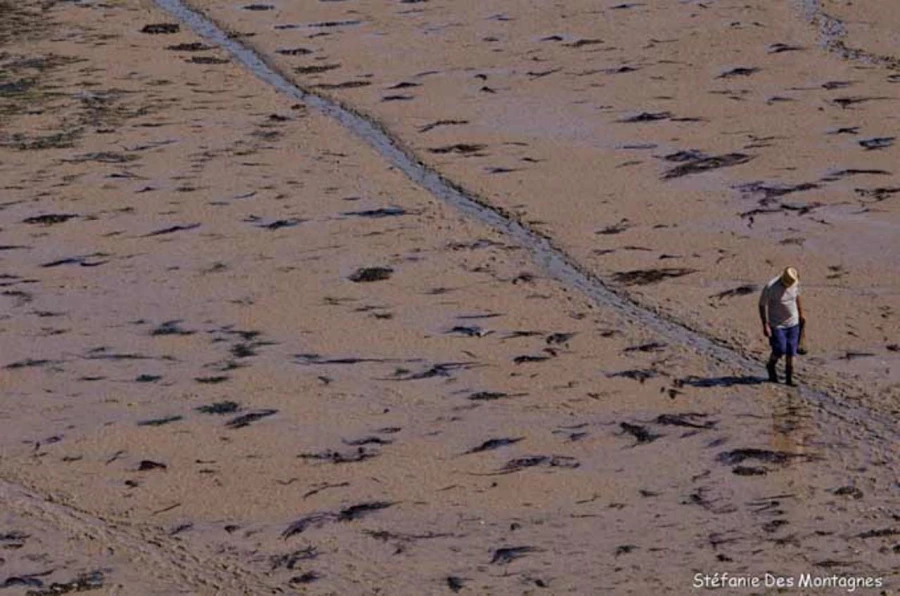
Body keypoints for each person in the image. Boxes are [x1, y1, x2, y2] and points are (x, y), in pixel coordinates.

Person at [759, 266, 805, 386]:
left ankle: (789, 379)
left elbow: (797, 297)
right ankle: (771, 366)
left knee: (791, 352)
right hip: (777, 324)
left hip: (793, 323)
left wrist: (801, 315)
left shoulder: (795, 283)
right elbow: (762, 305)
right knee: (780, 349)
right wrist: (765, 324)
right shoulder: (771, 287)